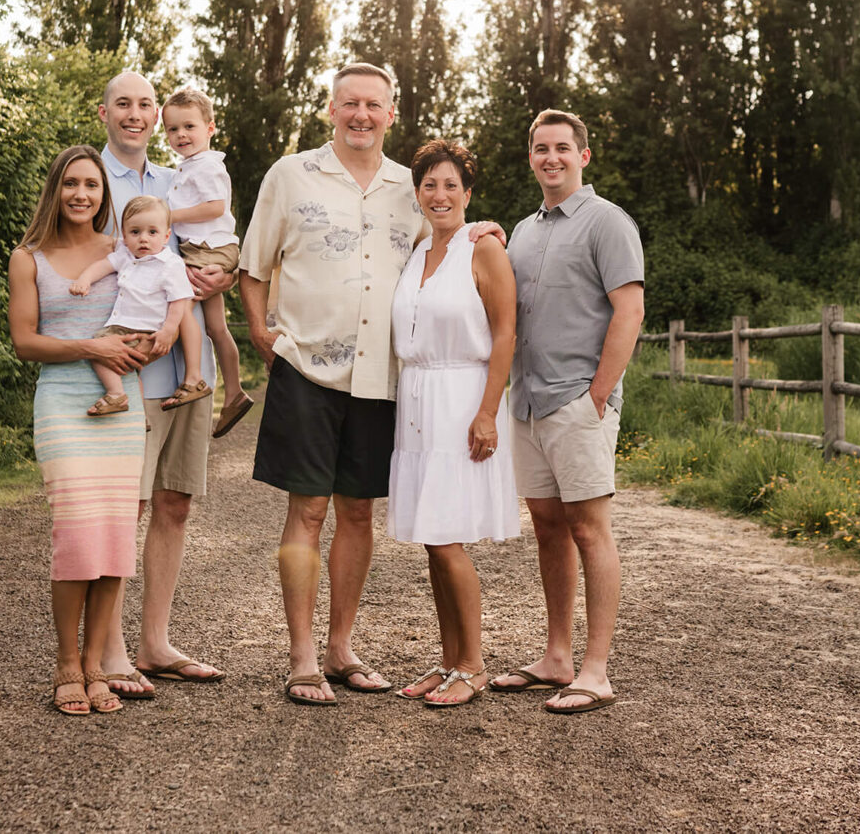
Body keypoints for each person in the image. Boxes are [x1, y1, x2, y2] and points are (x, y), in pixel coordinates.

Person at [239, 63, 501, 706]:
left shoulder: (406, 190)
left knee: (358, 513)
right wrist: (259, 331)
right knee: (306, 511)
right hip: (305, 366)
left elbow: (442, 240)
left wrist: (480, 230)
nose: (361, 114)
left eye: (373, 105)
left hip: (379, 376)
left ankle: (340, 649)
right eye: (350, 103)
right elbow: (253, 264)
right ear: (331, 109)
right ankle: (302, 659)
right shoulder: (290, 174)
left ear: (391, 112)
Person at [491, 109, 644, 716]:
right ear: (530, 156)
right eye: (539, 148)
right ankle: (556, 657)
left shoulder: (608, 222)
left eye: (561, 147)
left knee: (589, 528)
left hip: (577, 398)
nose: (550, 157)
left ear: (584, 155)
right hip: (527, 402)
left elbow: (628, 311)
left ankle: (596, 670)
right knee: (549, 529)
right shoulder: (524, 231)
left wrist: (598, 393)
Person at [93, 72, 230, 694]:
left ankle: (155, 642)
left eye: (145, 104)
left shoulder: (179, 176)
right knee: (130, 506)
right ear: (104, 114)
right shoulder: (91, 179)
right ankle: (112, 648)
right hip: (132, 367)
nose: (138, 114)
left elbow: (213, 238)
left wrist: (222, 277)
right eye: (124, 104)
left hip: (184, 368)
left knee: (175, 503)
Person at [7, 146, 150, 716]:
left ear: (102, 194)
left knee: (114, 536)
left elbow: (161, 300)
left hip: (122, 404)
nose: (81, 194)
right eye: (71, 184)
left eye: (91, 184)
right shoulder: (29, 257)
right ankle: (66, 664)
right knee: (75, 535)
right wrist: (90, 346)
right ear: (56, 189)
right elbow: (25, 342)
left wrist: (147, 343)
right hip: (63, 403)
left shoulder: (123, 250)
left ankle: (95, 665)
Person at [387, 140, 520, 709]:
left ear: (468, 194)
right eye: (429, 185)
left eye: (450, 186)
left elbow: (506, 332)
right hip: (416, 401)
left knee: (446, 539)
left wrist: (488, 411)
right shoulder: (418, 252)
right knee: (430, 538)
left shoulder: (482, 247)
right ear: (417, 193)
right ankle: (447, 660)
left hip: (463, 397)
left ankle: (473, 665)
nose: (439, 196)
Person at [158, 86, 254, 431]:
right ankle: (235, 394)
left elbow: (216, 207)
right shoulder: (189, 167)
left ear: (210, 128)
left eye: (189, 127)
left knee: (180, 305)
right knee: (216, 327)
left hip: (208, 249)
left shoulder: (207, 166)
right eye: (172, 129)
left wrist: (170, 215)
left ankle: (195, 378)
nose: (181, 135)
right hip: (211, 247)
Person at [69, 196, 195, 417]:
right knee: (115, 361)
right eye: (135, 232)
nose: (143, 239)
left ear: (166, 236)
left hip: (148, 331)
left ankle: (116, 394)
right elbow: (103, 265)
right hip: (120, 327)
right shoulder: (125, 256)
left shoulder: (170, 264)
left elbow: (179, 301)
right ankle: (138, 415)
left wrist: (168, 330)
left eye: (152, 232)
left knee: (100, 351)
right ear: (124, 237)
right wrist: (85, 279)